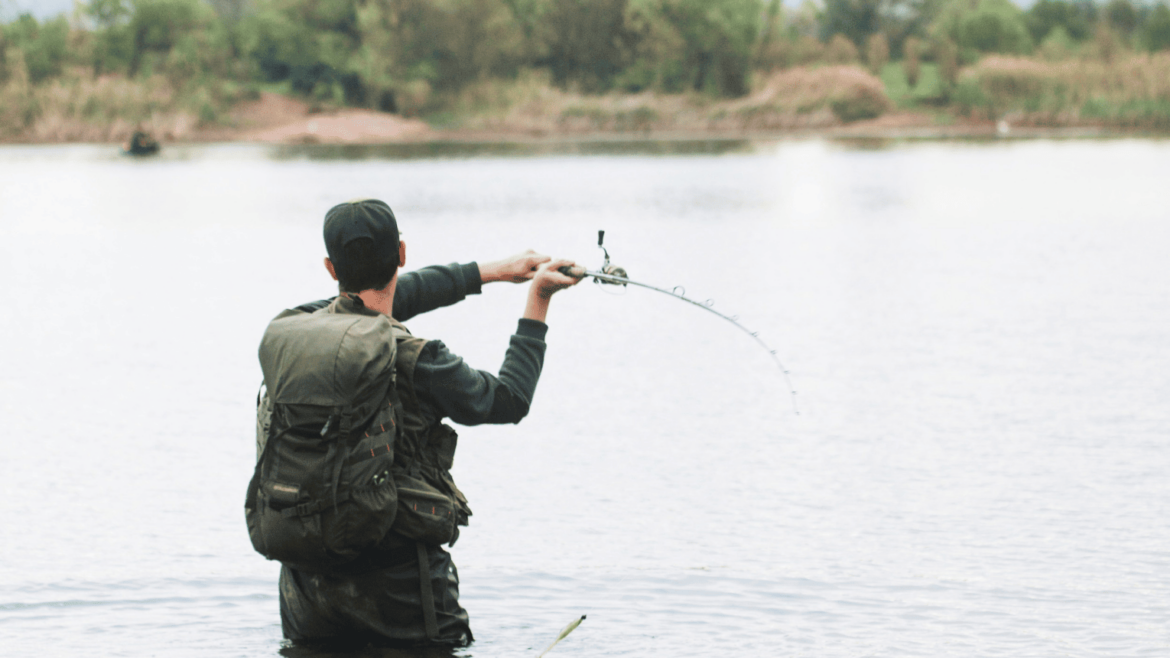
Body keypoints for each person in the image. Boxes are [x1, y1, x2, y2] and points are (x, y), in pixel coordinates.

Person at [260, 198, 581, 649]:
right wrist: (538, 298)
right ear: (403, 254)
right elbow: (509, 400)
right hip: (403, 591)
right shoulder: (419, 358)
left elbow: (375, 305)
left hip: (307, 589)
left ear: (332, 269)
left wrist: (489, 271)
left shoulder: (291, 332)